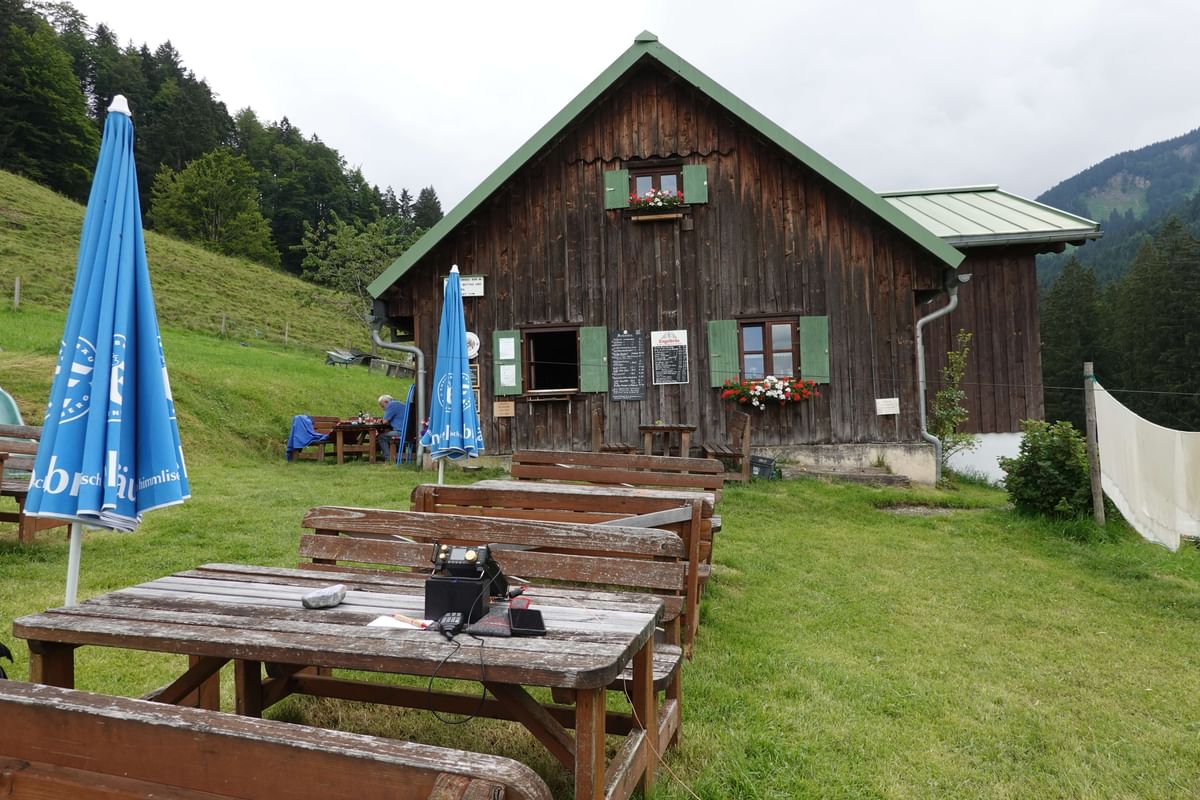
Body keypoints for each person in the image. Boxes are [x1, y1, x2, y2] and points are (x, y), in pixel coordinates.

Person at [377, 394, 406, 459]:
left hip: (401, 432)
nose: (383, 409)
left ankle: (388, 458)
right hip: (408, 431)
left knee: (381, 437)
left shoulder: (391, 405)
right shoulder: (399, 404)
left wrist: (382, 420)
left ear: (386, 402)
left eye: (383, 406)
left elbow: (385, 421)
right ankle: (397, 454)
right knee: (387, 433)